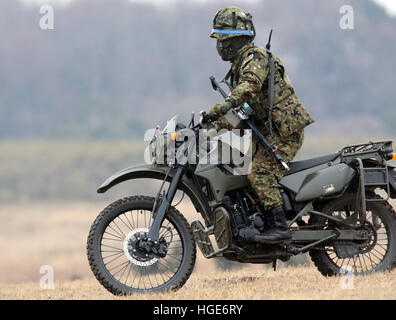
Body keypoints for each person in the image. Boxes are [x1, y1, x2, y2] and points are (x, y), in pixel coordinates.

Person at [208, 6, 315, 243]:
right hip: (267, 134)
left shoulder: (254, 58)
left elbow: (251, 85)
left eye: (222, 39)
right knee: (241, 173)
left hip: (284, 132)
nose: (220, 46)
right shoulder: (238, 65)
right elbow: (245, 109)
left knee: (259, 174)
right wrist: (213, 127)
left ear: (235, 40)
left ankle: (280, 229)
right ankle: (258, 223)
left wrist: (226, 103)